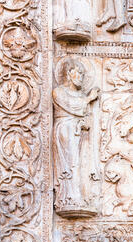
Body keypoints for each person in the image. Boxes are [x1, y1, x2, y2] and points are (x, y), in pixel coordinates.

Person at [52, 58, 99, 215]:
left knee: (80, 163)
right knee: (70, 164)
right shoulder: (59, 92)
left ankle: (80, 195)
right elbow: (72, 106)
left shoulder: (80, 95)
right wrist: (89, 99)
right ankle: (68, 198)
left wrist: (85, 123)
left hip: (78, 131)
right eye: (78, 72)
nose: (81, 76)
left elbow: (84, 113)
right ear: (68, 73)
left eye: (83, 74)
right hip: (65, 130)